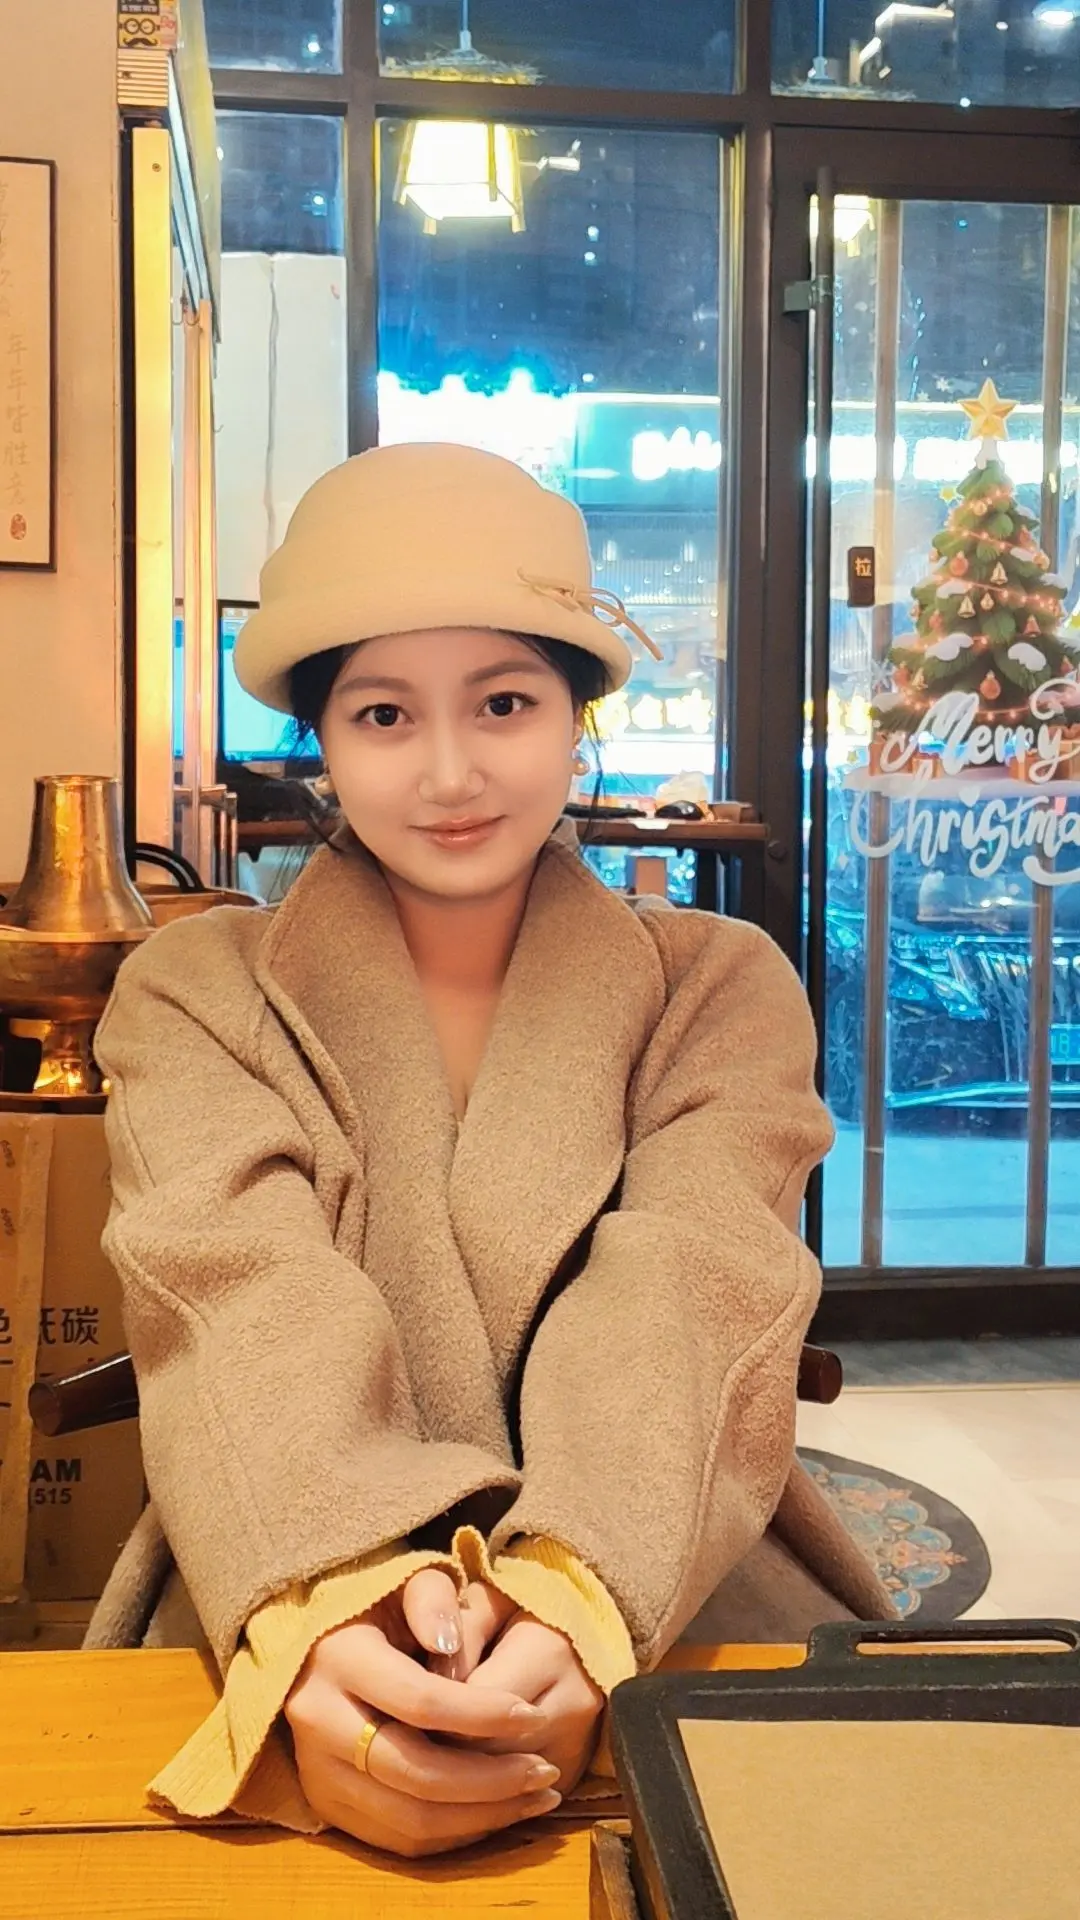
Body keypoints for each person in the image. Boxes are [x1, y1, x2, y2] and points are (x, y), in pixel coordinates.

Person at [85, 443, 890, 1857]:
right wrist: (333, 1592)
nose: (450, 772)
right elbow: (235, 1292)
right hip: (293, 1551)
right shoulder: (193, 990)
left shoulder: (719, 984)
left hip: (659, 1554)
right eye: (385, 714)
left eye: (505, 703)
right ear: (322, 739)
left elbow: (693, 1284)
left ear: (578, 716)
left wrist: (580, 1592)